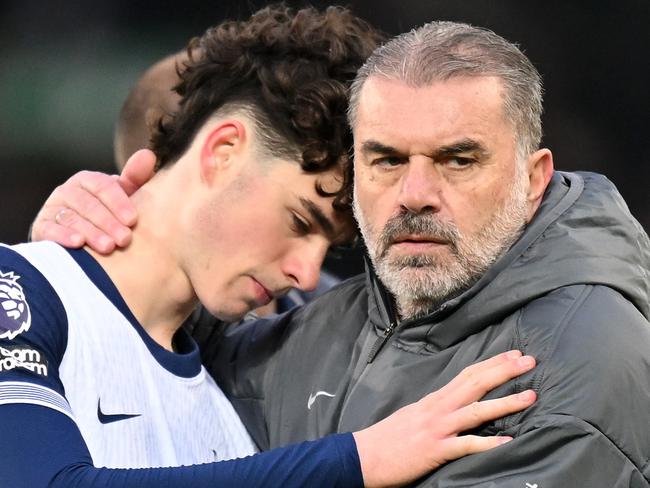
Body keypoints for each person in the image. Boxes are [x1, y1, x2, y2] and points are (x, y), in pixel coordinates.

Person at [36, 18, 650, 488]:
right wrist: (62, 277)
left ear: (534, 177)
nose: (416, 196)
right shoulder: (277, 334)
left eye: (458, 160)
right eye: (386, 159)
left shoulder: (578, 357)